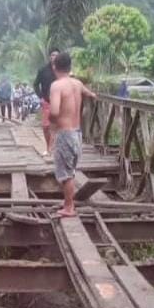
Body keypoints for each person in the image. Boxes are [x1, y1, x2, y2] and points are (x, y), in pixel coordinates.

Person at [49, 52, 97, 218]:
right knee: (69, 170)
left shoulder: (57, 86)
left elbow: (54, 111)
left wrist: (50, 120)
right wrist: (93, 95)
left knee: (65, 174)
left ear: (54, 66)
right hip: (77, 133)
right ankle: (67, 203)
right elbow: (88, 93)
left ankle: (69, 208)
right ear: (70, 67)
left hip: (65, 133)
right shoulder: (77, 83)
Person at [34, 49, 60, 156]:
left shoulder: (62, 70)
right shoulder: (43, 70)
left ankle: (52, 149)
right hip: (47, 102)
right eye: (53, 55)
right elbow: (36, 84)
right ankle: (48, 147)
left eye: (57, 55)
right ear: (50, 57)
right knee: (46, 126)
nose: (54, 57)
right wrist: (40, 97)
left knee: (58, 126)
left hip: (60, 103)